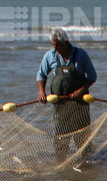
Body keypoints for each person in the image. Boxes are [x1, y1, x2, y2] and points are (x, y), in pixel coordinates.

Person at [37, 27, 98, 162]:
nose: (56, 48)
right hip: (60, 105)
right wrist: (42, 92)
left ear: (66, 43)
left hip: (79, 104)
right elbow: (41, 75)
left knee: (82, 136)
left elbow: (92, 76)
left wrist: (81, 90)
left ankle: (86, 163)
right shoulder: (50, 56)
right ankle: (61, 163)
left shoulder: (80, 54)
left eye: (58, 45)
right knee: (61, 136)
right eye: (54, 45)